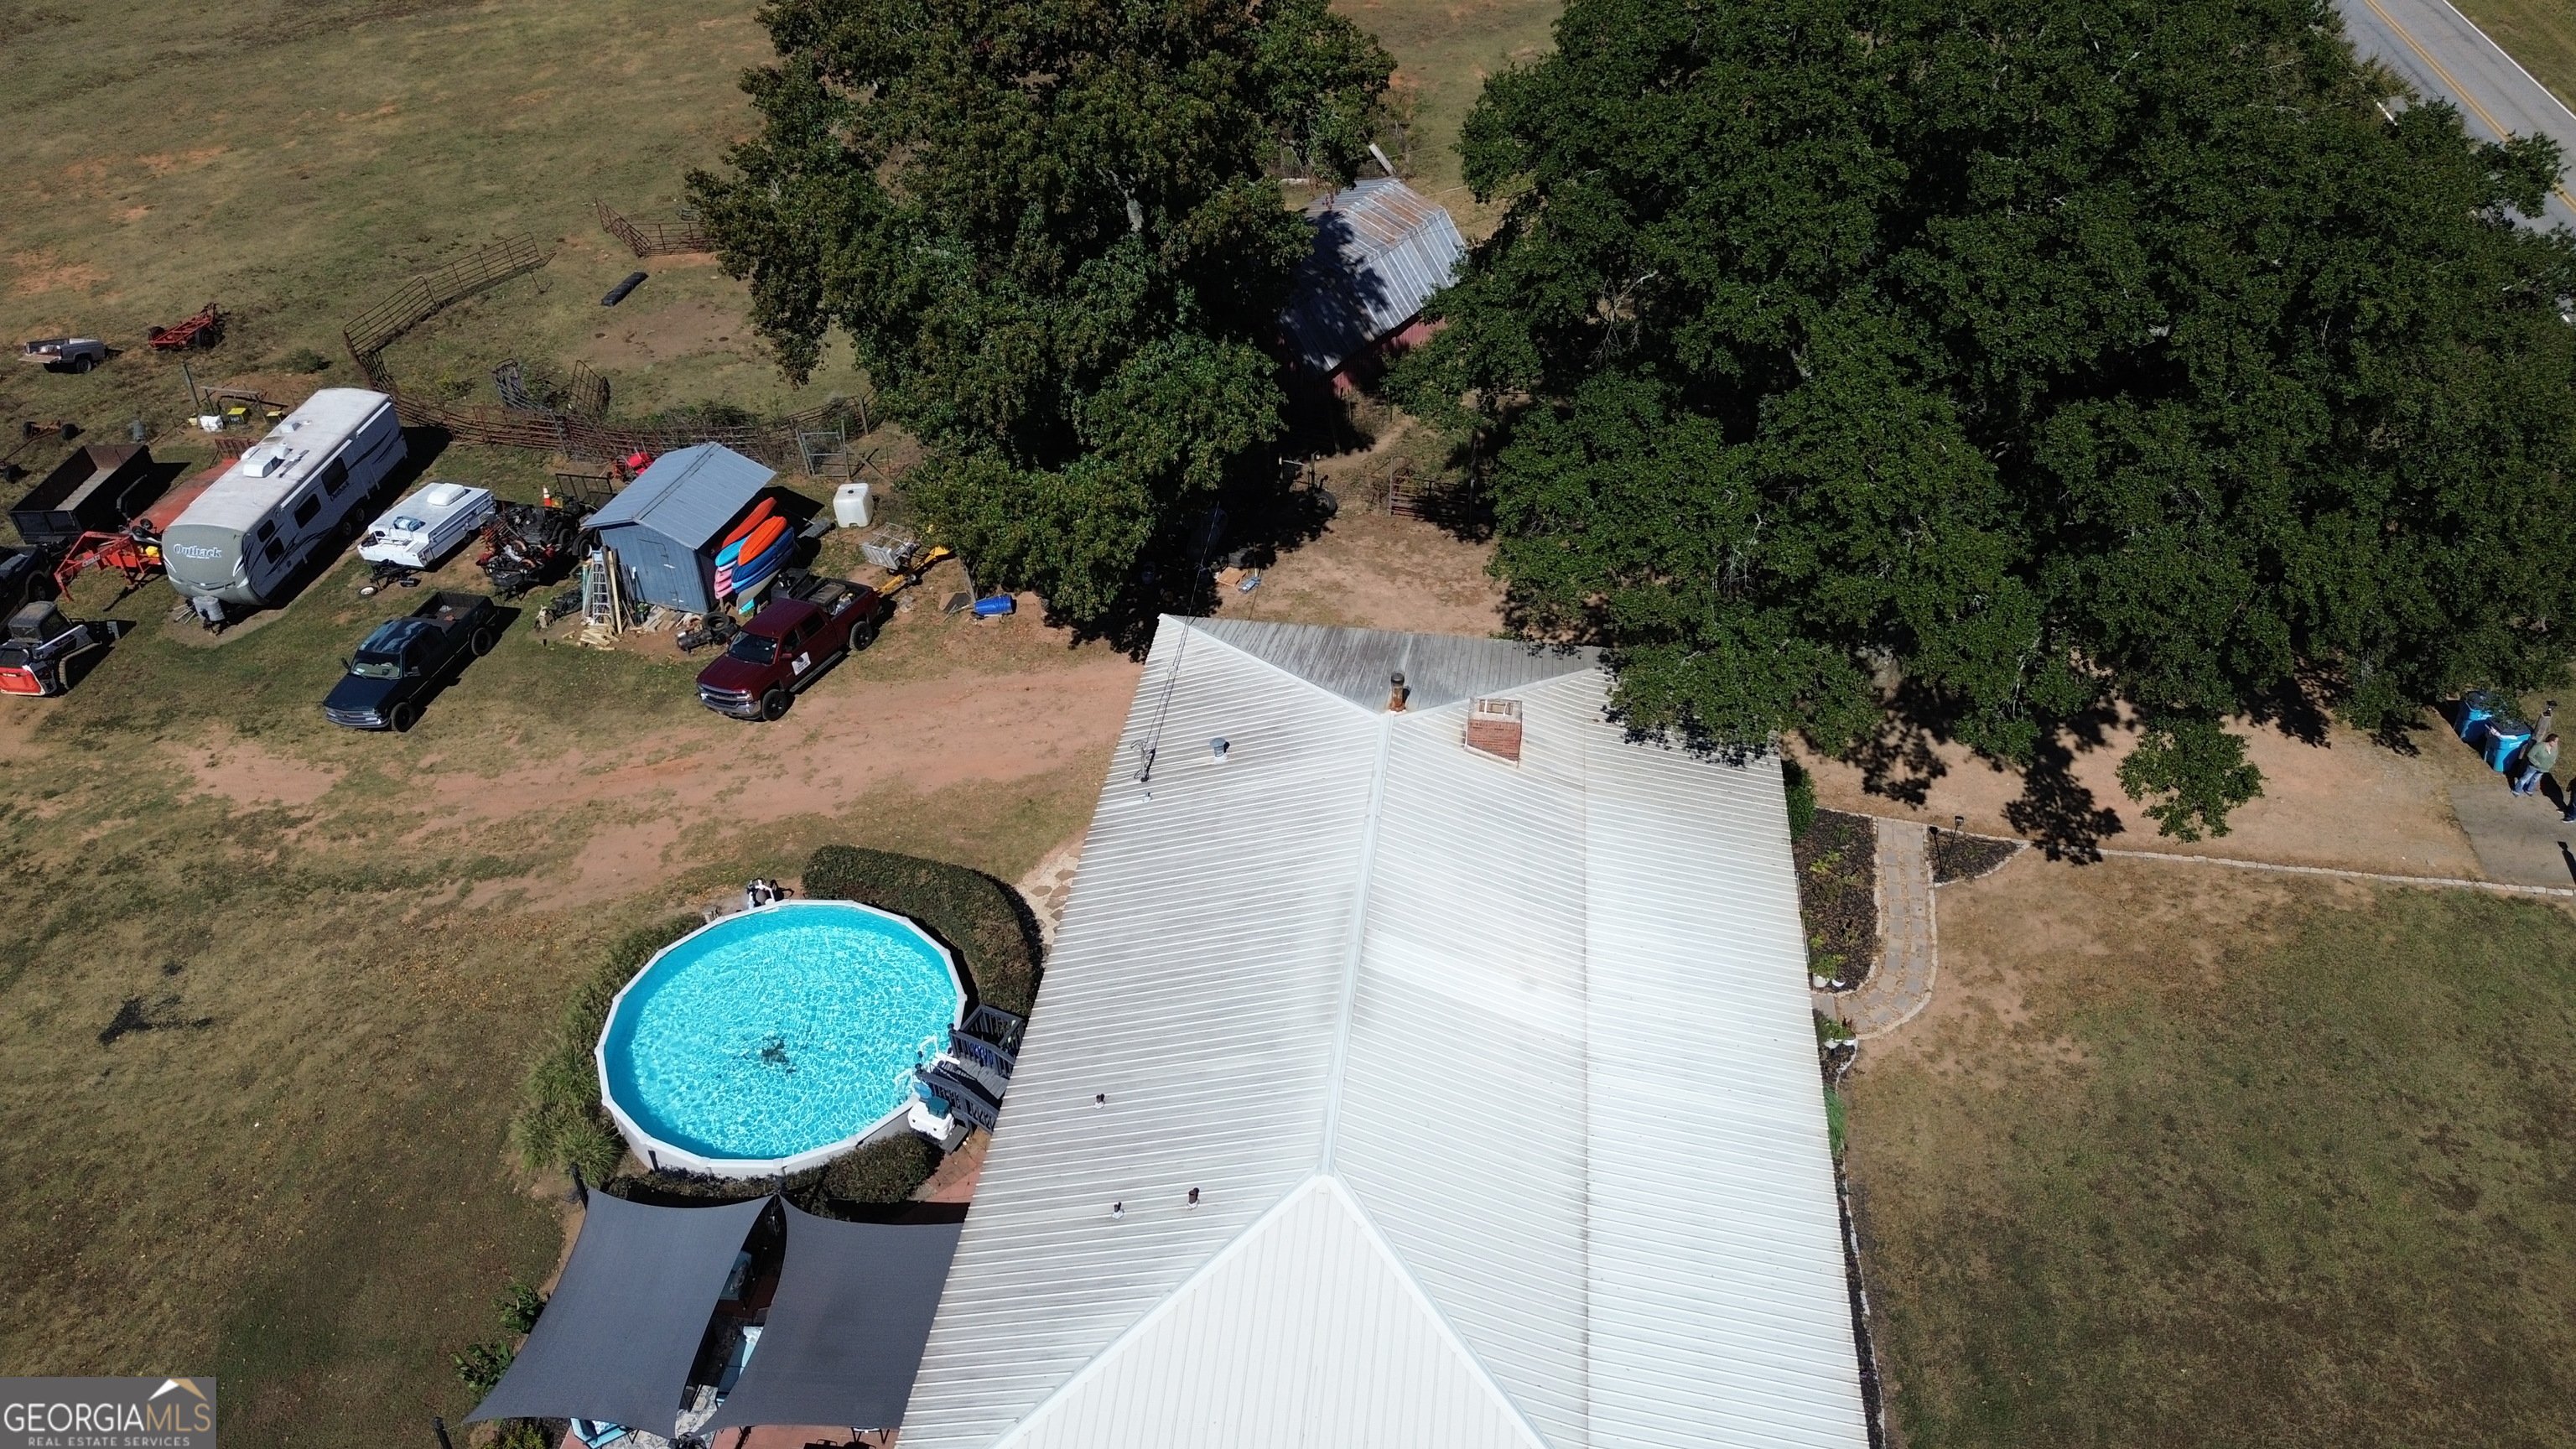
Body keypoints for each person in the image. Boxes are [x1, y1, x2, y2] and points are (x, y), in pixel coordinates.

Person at [2515, 732, 2559, 797]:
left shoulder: (2555, 749)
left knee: (2535, 779)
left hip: (2544, 769)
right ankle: (2517, 790)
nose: (2556, 744)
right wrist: (2537, 764)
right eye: (2555, 742)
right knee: (2525, 778)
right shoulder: (2539, 746)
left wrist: (2552, 763)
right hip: (2534, 767)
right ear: (2550, 740)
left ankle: (2529, 789)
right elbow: (2530, 755)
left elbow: (2555, 756)